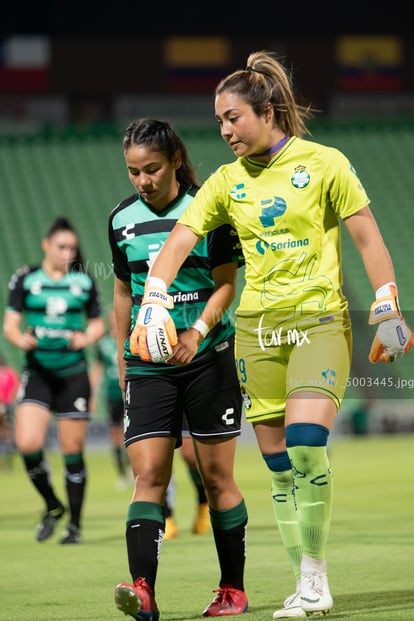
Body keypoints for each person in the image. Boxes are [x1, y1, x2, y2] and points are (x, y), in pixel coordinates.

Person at [133, 50, 414, 619]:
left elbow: (368, 240)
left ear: (266, 110)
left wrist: (387, 306)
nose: (225, 130)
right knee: (279, 467)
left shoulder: (326, 162)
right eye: (218, 122)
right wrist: (153, 300)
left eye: (232, 117)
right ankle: (303, 580)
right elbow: (179, 243)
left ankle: (315, 577)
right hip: (256, 334)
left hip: (318, 322)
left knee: (307, 443)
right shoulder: (225, 182)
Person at [108, 118, 248, 620]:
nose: (143, 181)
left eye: (151, 170)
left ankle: (232, 589)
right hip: (147, 365)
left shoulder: (207, 210)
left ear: (174, 162)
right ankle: (143, 591)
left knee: (216, 478)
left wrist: (197, 332)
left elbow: (228, 283)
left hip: (207, 355)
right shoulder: (121, 220)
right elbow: (123, 291)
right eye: (133, 172)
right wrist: (123, 354)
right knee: (149, 474)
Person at [3, 216, 105, 544]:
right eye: (61, 246)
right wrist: (21, 340)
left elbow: (97, 325)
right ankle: (52, 504)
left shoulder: (84, 282)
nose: (67, 252)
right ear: (46, 245)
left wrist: (85, 338)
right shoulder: (25, 279)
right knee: (28, 444)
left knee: (71, 450)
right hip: (38, 374)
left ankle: (74, 525)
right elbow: (10, 325)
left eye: (72, 247)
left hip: (73, 374)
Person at [90, 306, 132, 490]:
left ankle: (135, 469)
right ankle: (122, 473)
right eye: (112, 317)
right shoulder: (103, 344)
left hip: (130, 390)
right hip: (112, 393)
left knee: (132, 430)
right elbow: (98, 369)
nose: (115, 320)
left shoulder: (131, 339)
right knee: (115, 433)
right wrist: (91, 394)